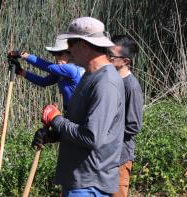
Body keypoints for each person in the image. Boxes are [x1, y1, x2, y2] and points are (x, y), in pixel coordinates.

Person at [33, 17, 125, 196]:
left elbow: (91, 137)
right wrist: (54, 135)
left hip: (90, 183)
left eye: (70, 43)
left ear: (84, 44)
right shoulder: (89, 76)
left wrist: (56, 119)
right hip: (78, 179)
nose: (68, 49)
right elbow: (82, 125)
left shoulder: (106, 83)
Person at [8, 35, 84, 114]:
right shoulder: (61, 73)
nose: (57, 58)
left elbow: (47, 67)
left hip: (80, 114)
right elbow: (43, 82)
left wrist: (25, 55)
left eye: (60, 54)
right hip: (69, 112)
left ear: (71, 54)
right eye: (54, 54)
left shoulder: (72, 69)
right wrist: (21, 72)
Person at [109, 35, 144, 197]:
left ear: (126, 61)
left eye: (112, 56)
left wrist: (105, 135)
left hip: (120, 157)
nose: (107, 58)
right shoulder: (109, 81)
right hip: (105, 155)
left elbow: (134, 125)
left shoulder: (131, 87)